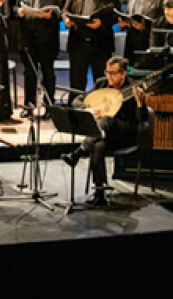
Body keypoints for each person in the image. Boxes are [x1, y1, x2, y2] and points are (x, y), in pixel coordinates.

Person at [61, 56, 149, 206]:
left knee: (106, 120)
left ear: (123, 74)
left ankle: (79, 152)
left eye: (113, 73)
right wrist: (87, 109)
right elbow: (77, 100)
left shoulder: (133, 87)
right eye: (107, 72)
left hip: (126, 133)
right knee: (98, 146)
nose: (109, 76)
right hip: (106, 134)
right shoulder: (101, 84)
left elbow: (143, 118)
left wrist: (141, 103)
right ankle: (100, 193)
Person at [15, 0, 67, 116]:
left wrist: (50, 15)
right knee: (29, 72)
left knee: (48, 72)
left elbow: (62, 13)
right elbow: (15, 8)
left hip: (48, 38)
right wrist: (20, 12)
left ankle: (49, 106)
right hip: (28, 37)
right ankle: (29, 106)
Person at [63, 0, 120, 104]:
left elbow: (117, 15)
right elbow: (65, 11)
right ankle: (75, 116)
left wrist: (102, 23)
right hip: (78, 43)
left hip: (100, 45)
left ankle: (100, 114)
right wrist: (66, 20)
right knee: (76, 82)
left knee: (101, 82)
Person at [120, 0, 164, 65]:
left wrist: (145, 27)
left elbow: (162, 26)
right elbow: (128, 16)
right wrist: (124, 23)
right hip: (131, 44)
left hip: (148, 44)